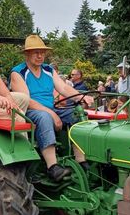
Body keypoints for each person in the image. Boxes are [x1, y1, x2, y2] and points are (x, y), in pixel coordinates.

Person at [10, 35, 92, 182]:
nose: (40, 55)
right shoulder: (18, 73)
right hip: (30, 111)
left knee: (77, 114)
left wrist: (81, 97)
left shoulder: (48, 69)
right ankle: (52, 167)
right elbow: (26, 101)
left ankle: (82, 161)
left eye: (42, 52)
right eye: (36, 52)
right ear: (27, 54)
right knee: (44, 117)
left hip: (50, 108)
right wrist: (51, 113)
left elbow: (64, 88)